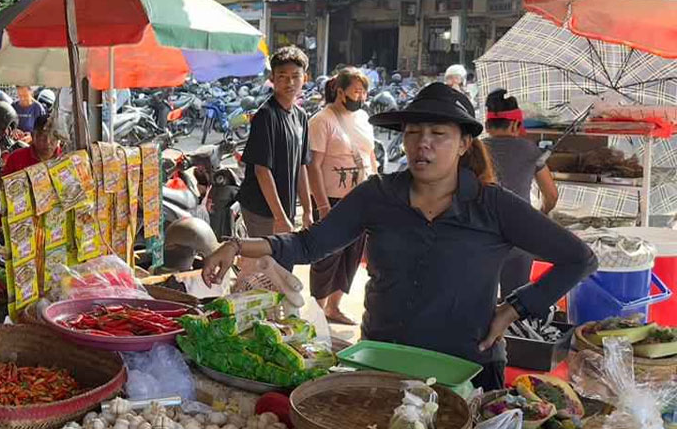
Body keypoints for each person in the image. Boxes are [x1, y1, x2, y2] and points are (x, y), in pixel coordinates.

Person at [201, 83, 597, 390]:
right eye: (413, 132)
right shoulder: (378, 195)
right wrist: (236, 245)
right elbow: (308, 244)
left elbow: (579, 258)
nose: (423, 143)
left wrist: (513, 309)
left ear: (464, 144)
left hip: (466, 370)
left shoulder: (492, 204)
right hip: (382, 363)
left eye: (438, 133)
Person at [307, 68, 377, 326]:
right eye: (356, 91)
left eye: (364, 92)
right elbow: (313, 166)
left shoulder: (364, 118)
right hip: (332, 199)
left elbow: (371, 156)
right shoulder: (322, 120)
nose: (361, 97)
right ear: (340, 91)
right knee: (327, 256)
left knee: (352, 255)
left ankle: (333, 307)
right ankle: (316, 311)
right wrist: (322, 205)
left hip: (362, 198)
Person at [485, 89, 559, 295]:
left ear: (486, 126)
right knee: (515, 302)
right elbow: (551, 195)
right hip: (519, 237)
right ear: (515, 125)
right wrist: (541, 214)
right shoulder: (530, 151)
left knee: (480, 301)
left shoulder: (474, 150)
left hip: (482, 238)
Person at [234, 46, 313, 237]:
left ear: (305, 78)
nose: (290, 82)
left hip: (285, 207)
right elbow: (262, 170)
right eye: (282, 76)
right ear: (272, 79)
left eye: (295, 76)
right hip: (262, 209)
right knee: (267, 256)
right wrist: (280, 218)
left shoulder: (301, 116)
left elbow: (301, 165)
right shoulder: (266, 116)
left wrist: (308, 210)